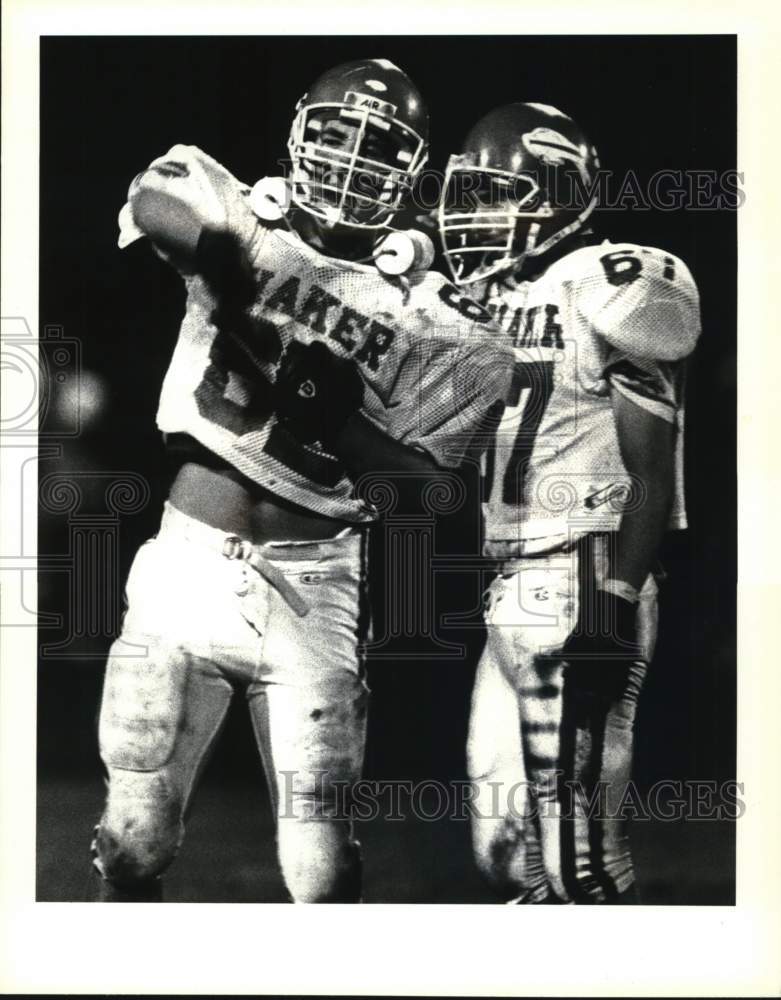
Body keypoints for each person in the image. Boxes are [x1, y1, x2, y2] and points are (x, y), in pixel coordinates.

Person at [91, 59, 512, 903]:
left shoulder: (436, 312)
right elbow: (158, 201)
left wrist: (340, 422)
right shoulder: (243, 220)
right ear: (296, 136)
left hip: (317, 589)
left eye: (377, 147)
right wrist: (233, 274)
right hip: (187, 564)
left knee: (321, 870)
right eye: (335, 135)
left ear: (412, 170)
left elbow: (432, 495)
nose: (351, 160)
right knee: (134, 839)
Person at [437, 102, 701, 903]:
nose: (474, 217)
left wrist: (614, 596)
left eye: (494, 196)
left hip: (581, 567)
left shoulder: (607, 284)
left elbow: (649, 472)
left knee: (577, 862)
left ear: (552, 196)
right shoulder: (489, 297)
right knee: (502, 849)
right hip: (510, 576)